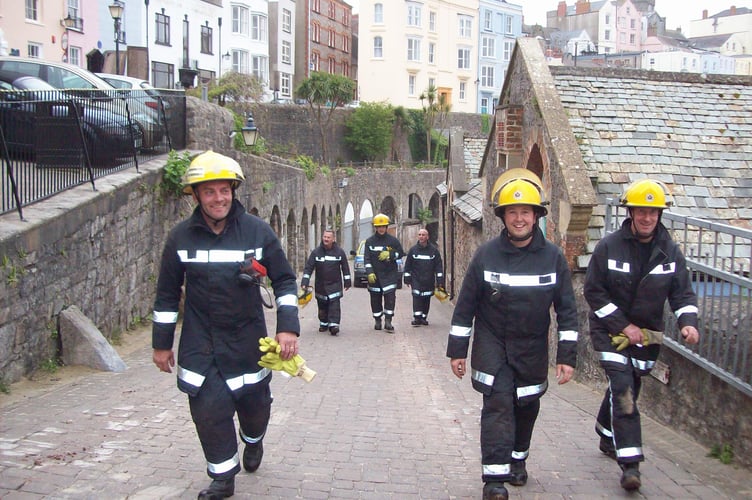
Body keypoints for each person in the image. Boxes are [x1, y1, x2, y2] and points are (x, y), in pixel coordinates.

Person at [151, 150, 301, 500]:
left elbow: (284, 281)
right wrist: (161, 343)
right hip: (200, 343)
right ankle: (223, 478)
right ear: (197, 195)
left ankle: (253, 440)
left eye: (224, 190)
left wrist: (288, 328)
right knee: (208, 411)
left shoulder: (257, 232)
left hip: (248, 342)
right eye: (209, 192)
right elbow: (166, 295)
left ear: (233, 191)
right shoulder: (180, 239)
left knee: (255, 409)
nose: (218, 198)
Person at [447, 172, 579, 500]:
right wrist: (457, 350)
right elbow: (465, 306)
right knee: (498, 403)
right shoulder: (486, 255)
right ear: (503, 217)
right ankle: (494, 479)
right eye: (512, 212)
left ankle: (518, 459)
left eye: (525, 212)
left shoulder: (553, 258)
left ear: (536, 216)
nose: (519, 218)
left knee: (527, 404)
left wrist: (567, 357)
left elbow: (567, 311)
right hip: (493, 343)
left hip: (532, 346)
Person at [584, 179, 700, 491]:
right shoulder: (609, 247)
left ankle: (606, 433)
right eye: (641, 212)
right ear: (630, 213)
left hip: (646, 338)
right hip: (609, 332)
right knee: (623, 388)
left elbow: (683, 294)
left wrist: (688, 323)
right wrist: (623, 326)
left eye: (653, 212)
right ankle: (631, 465)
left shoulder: (670, 252)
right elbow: (593, 291)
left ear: (659, 215)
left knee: (630, 385)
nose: (647, 218)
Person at [300, 228, 352, 336]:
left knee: (334, 304)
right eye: (324, 237)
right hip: (321, 285)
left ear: (333, 239)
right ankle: (323, 323)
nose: (326, 239)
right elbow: (309, 268)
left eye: (328, 237)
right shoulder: (316, 252)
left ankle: (334, 325)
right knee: (322, 305)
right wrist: (305, 281)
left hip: (335, 284)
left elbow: (345, 268)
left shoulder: (339, 252)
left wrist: (347, 281)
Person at [363, 213, 405, 333]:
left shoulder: (393, 241)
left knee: (390, 298)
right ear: (375, 228)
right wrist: (370, 272)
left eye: (383, 226)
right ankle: (377, 320)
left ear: (387, 227)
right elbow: (367, 259)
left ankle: (388, 321)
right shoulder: (370, 242)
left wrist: (391, 255)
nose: (381, 229)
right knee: (375, 299)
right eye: (379, 227)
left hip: (389, 275)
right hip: (375, 276)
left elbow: (401, 253)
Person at [403, 228, 445, 326]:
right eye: (419, 235)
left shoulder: (434, 251)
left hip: (428, 279)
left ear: (427, 237)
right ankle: (417, 318)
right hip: (416, 279)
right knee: (416, 296)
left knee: (426, 298)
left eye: (423, 235)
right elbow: (408, 265)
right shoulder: (413, 250)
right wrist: (407, 278)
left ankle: (423, 317)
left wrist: (440, 281)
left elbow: (438, 266)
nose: (421, 237)